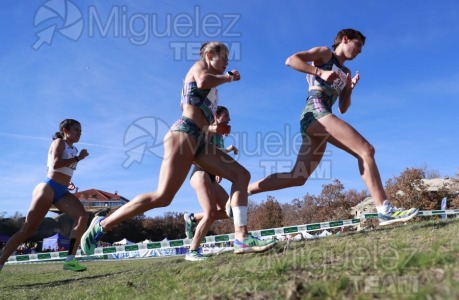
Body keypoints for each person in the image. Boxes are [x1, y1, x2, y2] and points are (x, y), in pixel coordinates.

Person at [81, 42, 277, 258]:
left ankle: (242, 237)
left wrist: (214, 128)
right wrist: (229, 77)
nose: (227, 64)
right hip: (183, 134)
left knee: (241, 175)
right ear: (210, 55)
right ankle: (103, 224)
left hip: (200, 140)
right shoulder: (199, 68)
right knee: (163, 197)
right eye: (224, 59)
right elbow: (202, 82)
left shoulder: (214, 87)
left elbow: (200, 113)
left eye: (228, 61)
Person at [246, 29, 418, 226]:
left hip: (321, 118)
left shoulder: (346, 73)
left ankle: (246, 190)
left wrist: (349, 90)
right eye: (358, 45)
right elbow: (291, 60)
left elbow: (343, 109)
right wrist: (319, 71)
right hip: (316, 110)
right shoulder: (325, 53)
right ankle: (384, 209)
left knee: (298, 177)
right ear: (345, 39)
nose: (360, 51)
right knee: (365, 150)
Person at [0, 119, 89, 272]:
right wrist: (78, 159)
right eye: (76, 130)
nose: (79, 133)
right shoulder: (59, 142)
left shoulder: (74, 149)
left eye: (81, 131)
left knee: (82, 217)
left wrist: (67, 182)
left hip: (62, 190)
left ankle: (70, 260)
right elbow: (55, 164)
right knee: (28, 230)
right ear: (65, 130)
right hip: (47, 188)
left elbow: (63, 170)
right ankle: (1, 261)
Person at [183, 105, 239, 261]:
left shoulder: (220, 136)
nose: (229, 118)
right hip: (200, 172)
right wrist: (212, 129)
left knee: (230, 210)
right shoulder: (208, 129)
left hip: (211, 175)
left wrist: (228, 150)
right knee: (210, 213)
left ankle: (193, 218)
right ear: (217, 116)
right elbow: (203, 149)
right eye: (226, 115)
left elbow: (216, 152)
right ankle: (192, 251)